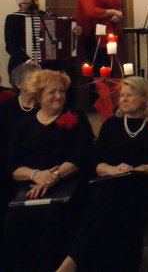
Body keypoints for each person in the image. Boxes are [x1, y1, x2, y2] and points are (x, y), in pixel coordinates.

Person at [57, 76, 148, 272]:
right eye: (122, 95)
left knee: (109, 205)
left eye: (130, 95)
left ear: (144, 98)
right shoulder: (112, 124)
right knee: (106, 203)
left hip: (145, 184)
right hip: (113, 181)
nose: (124, 99)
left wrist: (137, 169)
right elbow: (96, 161)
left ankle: (72, 261)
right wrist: (111, 170)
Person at [4, 70, 94, 272]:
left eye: (61, 91)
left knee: (54, 216)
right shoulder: (24, 125)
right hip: (32, 187)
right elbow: (12, 166)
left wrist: (53, 176)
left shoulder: (76, 117)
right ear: (39, 95)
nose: (59, 96)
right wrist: (36, 175)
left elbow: (81, 156)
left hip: (69, 184)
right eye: (52, 92)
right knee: (14, 220)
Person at [0, 62, 40, 270]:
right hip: (8, 171)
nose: (38, 82)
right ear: (19, 84)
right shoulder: (5, 110)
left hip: (41, 171)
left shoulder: (46, 105)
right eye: (33, 79)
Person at [76, 0, 123, 71]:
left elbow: (116, 6)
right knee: (100, 68)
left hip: (109, 31)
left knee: (109, 67)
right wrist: (112, 12)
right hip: (94, 34)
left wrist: (117, 15)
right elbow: (90, 10)